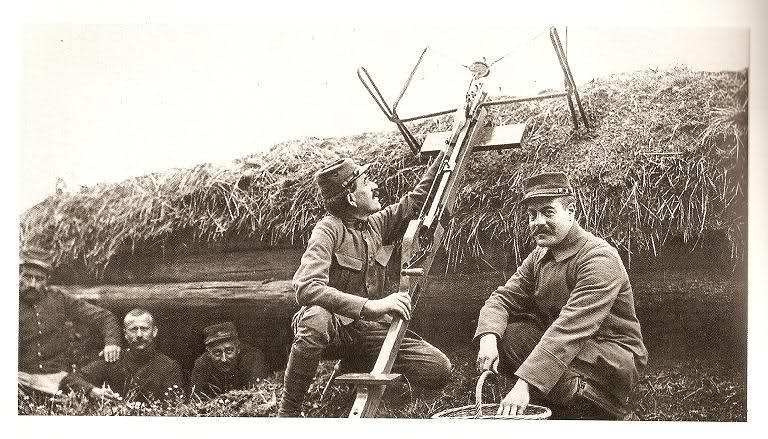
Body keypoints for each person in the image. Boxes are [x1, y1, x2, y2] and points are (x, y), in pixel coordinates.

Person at [278, 153, 452, 417]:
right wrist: (370, 306)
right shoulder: (327, 230)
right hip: (334, 330)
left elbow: (416, 200)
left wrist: (447, 150)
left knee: (437, 368)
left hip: (367, 332)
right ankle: (288, 412)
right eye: (366, 182)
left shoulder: (376, 223)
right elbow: (306, 287)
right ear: (350, 197)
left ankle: (355, 362)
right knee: (315, 317)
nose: (374, 186)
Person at [474, 172, 648, 420]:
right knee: (512, 334)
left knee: (550, 354)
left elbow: (570, 328)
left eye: (548, 212)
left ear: (571, 211)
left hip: (609, 359)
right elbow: (502, 298)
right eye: (532, 215)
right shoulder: (540, 255)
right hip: (572, 351)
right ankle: (557, 406)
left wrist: (524, 384)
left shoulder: (598, 258)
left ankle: (609, 413)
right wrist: (488, 338)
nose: (538, 222)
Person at [18, 245, 122, 397]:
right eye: (28, 277)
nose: (32, 285)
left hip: (57, 378)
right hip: (20, 377)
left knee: (85, 391)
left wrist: (112, 342)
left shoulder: (60, 299)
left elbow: (104, 317)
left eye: (39, 279)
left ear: (48, 280)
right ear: (19, 274)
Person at [74, 308, 183, 402]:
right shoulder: (113, 359)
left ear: (154, 332)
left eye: (144, 329)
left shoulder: (169, 366)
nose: (139, 335)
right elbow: (70, 379)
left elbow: (173, 405)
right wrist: (92, 390)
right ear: (125, 334)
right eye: (134, 329)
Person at [189, 321, 269, 398]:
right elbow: (196, 399)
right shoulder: (202, 364)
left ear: (238, 348)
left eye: (229, 351)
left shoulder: (252, 357)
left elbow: (258, 394)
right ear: (209, 353)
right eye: (217, 353)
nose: (224, 359)